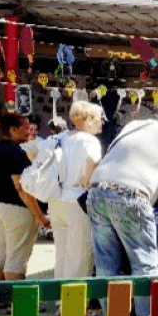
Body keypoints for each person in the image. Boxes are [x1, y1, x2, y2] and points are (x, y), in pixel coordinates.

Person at [86, 103, 158, 316]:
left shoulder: (132, 126)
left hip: (96, 191)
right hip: (130, 196)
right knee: (144, 262)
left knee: (106, 264)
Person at [50, 101, 105, 291]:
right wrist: (88, 179)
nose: (101, 122)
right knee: (79, 256)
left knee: (62, 255)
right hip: (78, 199)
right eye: (98, 118)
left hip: (57, 198)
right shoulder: (89, 140)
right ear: (87, 119)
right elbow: (93, 159)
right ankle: (73, 307)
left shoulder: (62, 137)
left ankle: (59, 302)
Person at [0, 113, 48, 282]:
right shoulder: (15, 152)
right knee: (16, 257)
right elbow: (21, 187)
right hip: (16, 206)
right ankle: (16, 304)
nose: (29, 131)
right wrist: (40, 216)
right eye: (25, 128)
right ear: (13, 130)